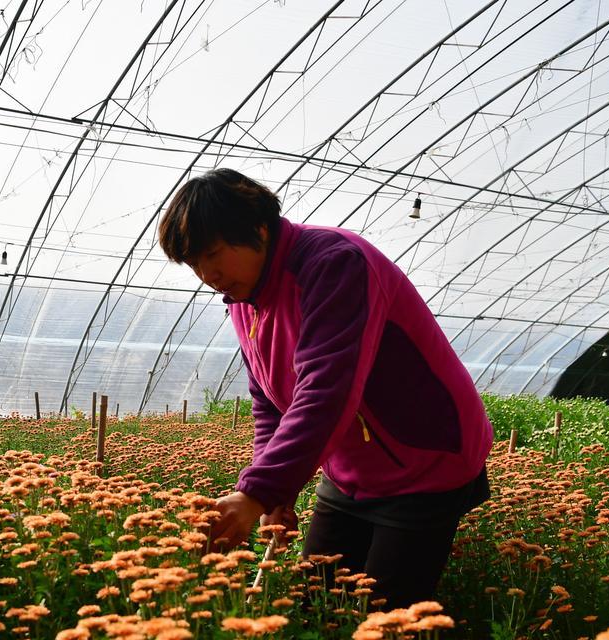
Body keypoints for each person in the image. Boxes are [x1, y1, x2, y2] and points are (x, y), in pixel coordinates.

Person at [158, 168, 493, 609]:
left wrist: (256, 492)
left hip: (422, 465)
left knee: (383, 617)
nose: (207, 274)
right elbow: (269, 403)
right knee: (317, 603)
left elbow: (326, 390)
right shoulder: (245, 298)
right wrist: (274, 493)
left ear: (258, 227)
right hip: (349, 471)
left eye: (213, 254)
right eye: (194, 263)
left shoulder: (334, 263)